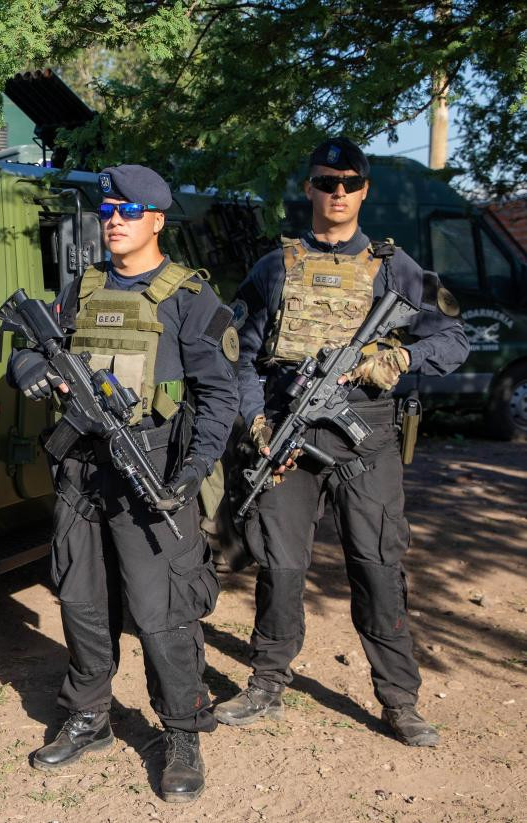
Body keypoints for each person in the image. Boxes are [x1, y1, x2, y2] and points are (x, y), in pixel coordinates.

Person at [215, 137, 469, 746]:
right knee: (280, 564)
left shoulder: (395, 267)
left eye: (349, 183)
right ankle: (268, 683)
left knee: (379, 567)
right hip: (287, 429)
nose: (337, 193)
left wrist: (401, 356)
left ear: (364, 191)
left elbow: (454, 338)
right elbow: (240, 355)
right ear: (308, 188)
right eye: (326, 182)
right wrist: (255, 420)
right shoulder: (273, 267)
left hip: (367, 436)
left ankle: (399, 700)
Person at [8, 165, 240, 803]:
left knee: (163, 609)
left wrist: (190, 474)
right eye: (108, 209)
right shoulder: (78, 291)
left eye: (129, 211)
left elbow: (219, 400)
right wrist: (30, 368)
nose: (114, 220)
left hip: (154, 471)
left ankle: (183, 728)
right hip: (81, 467)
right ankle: (89, 717)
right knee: (81, 598)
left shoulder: (191, 300)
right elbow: (26, 347)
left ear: (157, 220)